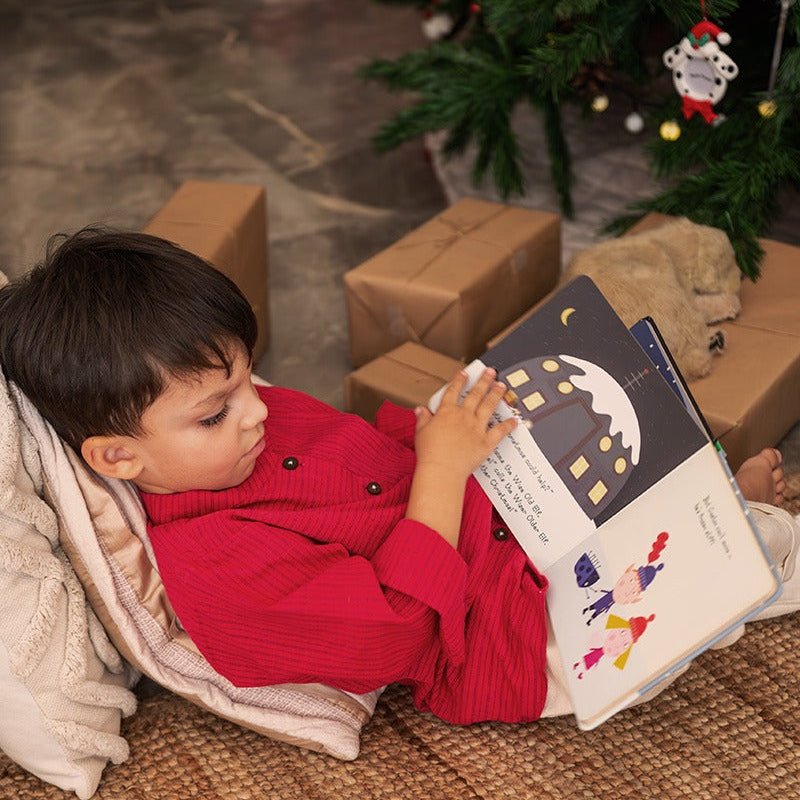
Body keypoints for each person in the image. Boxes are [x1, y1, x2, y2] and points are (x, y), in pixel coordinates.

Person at [0, 228, 796, 725]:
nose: (255, 412)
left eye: (251, 378)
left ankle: (716, 501)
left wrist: (444, 444)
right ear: (117, 458)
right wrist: (444, 467)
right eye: (215, 412)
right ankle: (747, 528)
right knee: (703, 584)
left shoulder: (250, 428)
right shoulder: (214, 568)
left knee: (635, 465)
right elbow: (393, 634)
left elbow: (370, 463)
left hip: (505, 517)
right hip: (500, 639)